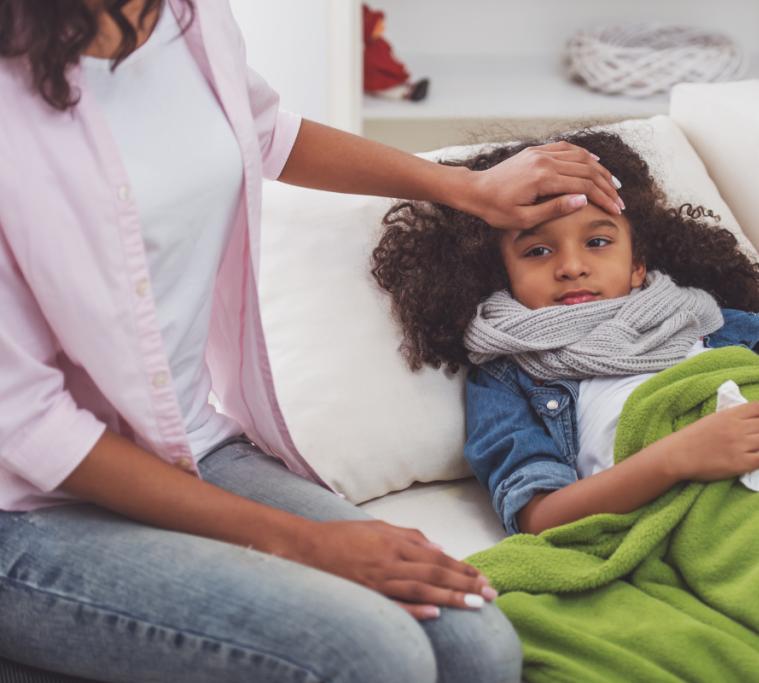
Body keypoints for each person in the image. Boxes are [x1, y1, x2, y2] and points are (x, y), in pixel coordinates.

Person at [0, 1, 627, 681]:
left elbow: (264, 131)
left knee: (478, 643)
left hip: (187, 443)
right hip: (27, 507)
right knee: (373, 655)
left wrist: (468, 188)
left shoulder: (190, 19)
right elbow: (28, 424)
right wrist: (307, 544)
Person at [371, 129, 759, 537]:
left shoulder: (710, 327)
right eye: (539, 250)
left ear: (638, 262)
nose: (571, 266)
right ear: (501, 273)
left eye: (597, 242)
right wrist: (674, 459)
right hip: (711, 523)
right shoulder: (508, 374)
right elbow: (539, 515)